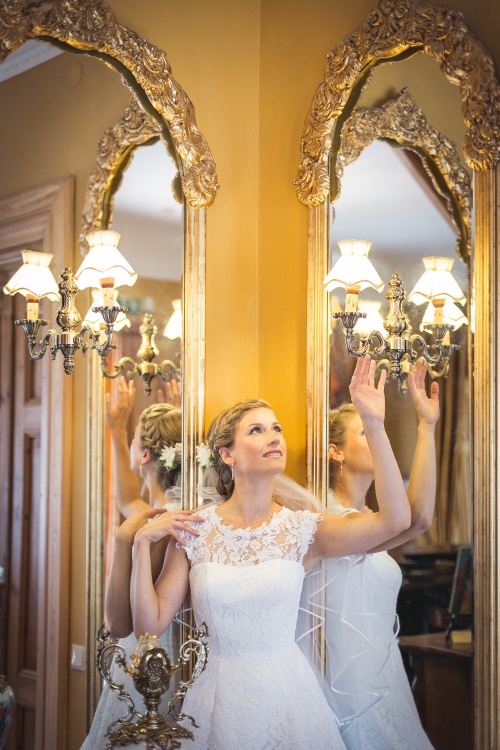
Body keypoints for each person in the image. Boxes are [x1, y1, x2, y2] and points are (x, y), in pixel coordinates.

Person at [130, 356, 414, 750]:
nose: (274, 437)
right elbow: (148, 627)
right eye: (257, 430)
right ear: (227, 454)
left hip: (290, 702)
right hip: (215, 702)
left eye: (277, 428)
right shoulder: (195, 529)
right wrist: (141, 546)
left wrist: (376, 426)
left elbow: (396, 521)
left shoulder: (306, 531)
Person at [81, 377, 202, 750]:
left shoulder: (146, 530)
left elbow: (118, 625)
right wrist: (120, 433)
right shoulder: (184, 515)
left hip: (145, 665)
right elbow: (128, 499)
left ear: (146, 455)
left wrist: (123, 540)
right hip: (185, 662)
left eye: (135, 439)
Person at [326, 358, 438, 750]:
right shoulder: (329, 520)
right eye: (366, 431)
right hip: (344, 676)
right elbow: (411, 520)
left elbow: (420, 518)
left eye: (379, 429)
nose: (378, 437)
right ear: (335, 452)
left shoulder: (375, 517)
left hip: (383, 667)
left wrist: (427, 426)